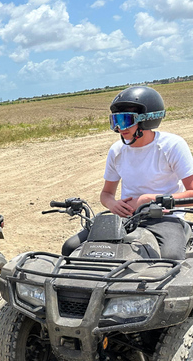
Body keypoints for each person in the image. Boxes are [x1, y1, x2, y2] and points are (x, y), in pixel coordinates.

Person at [62, 86, 193, 259]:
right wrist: (112, 205)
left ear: (147, 120)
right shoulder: (117, 150)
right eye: (115, 121)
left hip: (165, 218)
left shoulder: (172, 146)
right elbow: (106, 194)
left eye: (125, 120)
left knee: (170, 259)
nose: (119, 128)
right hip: (126, 219)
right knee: (70, 248)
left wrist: (149, 200)